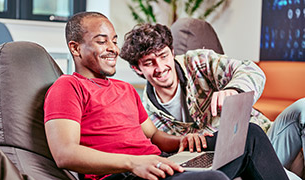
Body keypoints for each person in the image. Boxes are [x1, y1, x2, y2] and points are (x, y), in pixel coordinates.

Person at [43, 11, 289, 180]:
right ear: (75, 48)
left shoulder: (125, 89)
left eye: (114, 40)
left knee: (250, 134)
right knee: (213, 178)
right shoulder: (68, 87)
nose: (112, 48)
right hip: (123, 174)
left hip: (160, 163)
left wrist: (183, 142)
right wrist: (133, 163)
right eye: (101, 41)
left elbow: (154, 135)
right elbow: (65, 153)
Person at [120, 18, 305, 178]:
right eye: (149, 63)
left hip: (270, 140)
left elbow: (251, 70)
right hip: (233, 163)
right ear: (137, 69)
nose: (160, 67)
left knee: (303, 107)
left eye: (163, 56)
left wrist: (233, 90)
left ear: (172, 51)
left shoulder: (198, 62)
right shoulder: (148, 116)